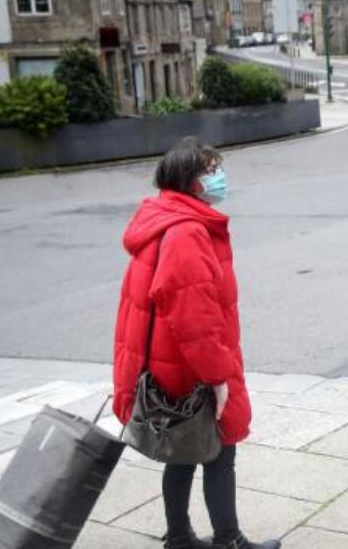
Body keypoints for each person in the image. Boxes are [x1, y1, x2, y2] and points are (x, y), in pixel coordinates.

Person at [112, 138, 280, 549]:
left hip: (169, 363)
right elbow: (194, 318)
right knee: (220, 451)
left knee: (183, 454)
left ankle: (180, 537)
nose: (219, 176)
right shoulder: (187, 231)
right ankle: (228, 540)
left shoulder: (165, 219)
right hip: (189, 367)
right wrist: (217, 377)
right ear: (192, 180)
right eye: (211, 169)